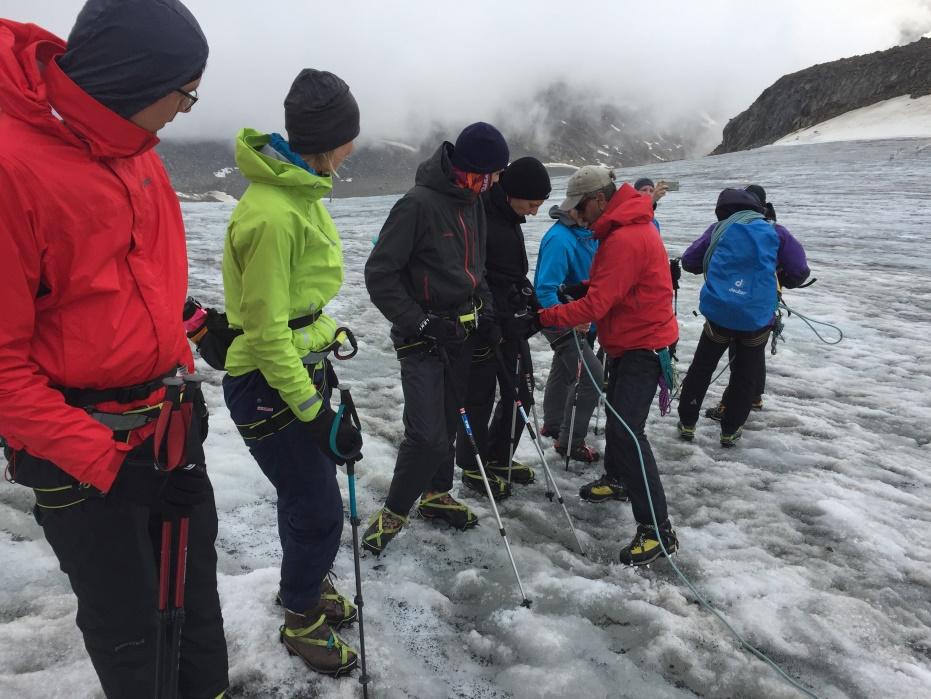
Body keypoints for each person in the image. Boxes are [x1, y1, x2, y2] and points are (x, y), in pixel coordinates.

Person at [0, 2, 229, 697]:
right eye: (184, 92)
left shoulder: (136, 153)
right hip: (81, 453)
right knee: (133, 629)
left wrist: (192, 324)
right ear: (133, 82)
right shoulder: (12, 170)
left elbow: (124, 280)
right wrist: (112, 466)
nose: (187, 110)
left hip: (167, 427)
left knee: (196, 609)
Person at [221, 69, 363, 677]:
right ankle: (301, 617)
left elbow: (296, 309)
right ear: (333, 139)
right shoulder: (276, 214)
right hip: (267, 382)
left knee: (304, 497)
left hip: (290, 368)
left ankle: (303, 585)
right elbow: (265, 332)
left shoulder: (300, 193)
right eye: (350, 134)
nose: (355, 146)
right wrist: (315, 411)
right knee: (319, 509)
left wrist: (327, 333)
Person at [362, 122, 509, 555]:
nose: (496, 182)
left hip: (460, 333)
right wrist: (421, 323)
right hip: (423, 337)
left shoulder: (473, 202)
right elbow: (380, 275)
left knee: (447, 423)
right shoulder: (416, 206)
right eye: (493, 174)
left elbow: (475, 268)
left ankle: (436, 494)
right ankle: (394, 510)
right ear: (472, 169)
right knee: (425, 435)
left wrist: (487, 313)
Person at [538, 182, 680, 566]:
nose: (579, 214)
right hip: (632, 341)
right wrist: (579, 286)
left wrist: (545, 316)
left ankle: (657, 529)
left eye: (581, 206)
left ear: (600, 200)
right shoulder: (623, 229)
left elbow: (599, 303)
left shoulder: (624, 237)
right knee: (619, 417)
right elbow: (614, 285)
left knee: (627, 430)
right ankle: (618, 480)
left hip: (643, 346)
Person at [677, 188, 810, 446]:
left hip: (719, 314)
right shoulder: (776, 232)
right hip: (756, 318)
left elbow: (690, 262)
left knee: (702, 367)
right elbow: (798, 272)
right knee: (745, 374)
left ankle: (687, 422)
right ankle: (730, 430)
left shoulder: (718, 229)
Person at [454, 157, 551, 500]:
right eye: (532, 204)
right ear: (512, 193)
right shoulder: (481, 214)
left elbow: (511, 272)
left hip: (511, 321)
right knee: (478, 397)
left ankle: (498, 457)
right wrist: (491, 318)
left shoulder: (511, 216)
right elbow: (476, 275)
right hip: (485, 324)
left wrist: (532, 301)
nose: (535, 212)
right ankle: (472, 467)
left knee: (520, 393)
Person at [534, 166, 608, 464]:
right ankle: (570, 442)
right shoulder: (560, 239)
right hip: (560, 317)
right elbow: (544, 291)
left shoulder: (587, 233)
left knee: (564, 367)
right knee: (592, 375)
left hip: (576, 316)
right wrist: (570, 319)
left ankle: (553, 424)